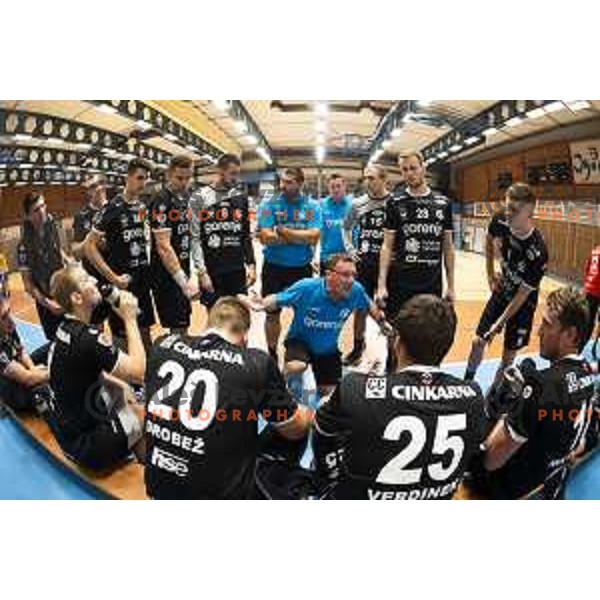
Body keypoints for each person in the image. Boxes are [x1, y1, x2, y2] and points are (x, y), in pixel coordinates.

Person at [313, 294, 487, 500]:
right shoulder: (474, 397)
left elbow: (321, 431)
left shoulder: (355, 387)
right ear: (446, 346)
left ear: (397, 342)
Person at [144, 296, 311, 499]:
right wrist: (306, 411)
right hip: (216, 496)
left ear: (208, 323)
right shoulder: (256, 363)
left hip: (159, 487)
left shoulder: (162, 345)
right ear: (244, 338)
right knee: (296, 425)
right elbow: (295, 430)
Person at [480, 287, 595, 499]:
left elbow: (490, 459)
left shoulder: (541, 386)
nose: (538, 331)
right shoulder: (588, 376)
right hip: (554, 488)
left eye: (547, 324)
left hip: (520, 494)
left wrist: (506, 409)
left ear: (570, 335)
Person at [240, 254, 390, 401]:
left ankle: (313, 386)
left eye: (354, 275)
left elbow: (370, 306)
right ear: (329, 275)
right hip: (299, 342)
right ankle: (279, 386)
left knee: (329, 395)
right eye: (345, 275)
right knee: (296, 367)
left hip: (327, 350)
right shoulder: (307, 287)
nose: (351, 280)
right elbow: (277, 299)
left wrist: (382, 323)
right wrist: (260, 304)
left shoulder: (356, 290)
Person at [47, 265, 145, 471]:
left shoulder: (65, 329)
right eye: (85, 280)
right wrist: (130, 318)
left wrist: (118, 384)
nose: (94, 280)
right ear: (77, 298)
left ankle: (134, 457)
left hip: (68, 433)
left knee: (121, 393)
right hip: (87, 446)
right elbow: (139, 372)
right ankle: (149, 481)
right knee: (143, 416)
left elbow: (81, 373)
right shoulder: (88, 339)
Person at [464, 182, 548, 384]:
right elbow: (489, 238)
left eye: (514, 210)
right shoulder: (500, 220)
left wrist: (499, 324)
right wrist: (490, 273)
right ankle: (467, 382)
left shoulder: (538, 252)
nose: (507, 213)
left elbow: (522, 295)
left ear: (529, 214)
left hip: (522, 304)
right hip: (503, 290)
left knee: (507, 360)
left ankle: (492, 402)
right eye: (507, 206)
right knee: (478, 342)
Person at [376, 152, 455, 320]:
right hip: (399, 283)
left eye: (413, 168)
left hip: (431, 285)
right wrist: (381, 284)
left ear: (423, 168)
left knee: (426, 336)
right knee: (395, 333)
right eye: (404, 170)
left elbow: (448, 247)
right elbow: (387, 245)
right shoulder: (394, 202)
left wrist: (451, 286)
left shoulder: (444, 203)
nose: (409, 173)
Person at [85, 158, 154, 349]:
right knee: (123, 340)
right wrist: (113, 277)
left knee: (145, 334)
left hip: (142, 282)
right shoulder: (111, 208)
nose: (143, 183)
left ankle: (146, 376)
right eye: (139, 178)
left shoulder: (141, 207)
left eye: (146, 179)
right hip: (121, 286)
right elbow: (88, 247)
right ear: (128, 178)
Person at [257, 167, 322, 360]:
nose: (283, 185)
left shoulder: (311, 206)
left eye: (289, 182)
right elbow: (266, 237)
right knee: (271, 313)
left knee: (302, 315)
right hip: (273, 268)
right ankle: (271, 352)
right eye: (282, 181)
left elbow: (314, 237)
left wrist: (283, 231)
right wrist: (298, 237)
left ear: (301, 183)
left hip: (301, 269)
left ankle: (296, 350)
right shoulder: (270, 204)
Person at [189, 153, 256, 308]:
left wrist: (251, 264)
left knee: (239, 316)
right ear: (220, 171)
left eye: (237, 174)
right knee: (214, 317)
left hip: (236, 269)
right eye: (232, 174)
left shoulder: (241, 198)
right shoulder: (199, 197)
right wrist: (201, 272)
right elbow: (195, 238)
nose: (236, 179)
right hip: (212, 270)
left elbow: (245, 235)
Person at [342, 163, 392, 365]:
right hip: (364, 262)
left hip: (387, 265)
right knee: (360, 308)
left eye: (371, 178)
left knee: (389, 307)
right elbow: (345, 228)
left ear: (384, 179)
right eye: (365, 178)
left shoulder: (395, 203)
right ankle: (357, 347)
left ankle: (392, 353)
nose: (367, 182)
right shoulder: (357, 204)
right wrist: (350, 249)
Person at [149, 155, 198, 333]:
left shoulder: (185, 198)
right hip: (167, 276)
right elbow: (163, 247)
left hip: (182, 270)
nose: (184, 182)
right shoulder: (161, 201)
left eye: (188, 177)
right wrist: (183, 282)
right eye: (179, 178)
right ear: (169, 174)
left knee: (183, 324)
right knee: (177, 328)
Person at [17, 192, 66, 340]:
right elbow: (28, 285)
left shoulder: (52, 226)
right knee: (56, 341)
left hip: (63, 292)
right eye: (37, 209)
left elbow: (58, 251)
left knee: (74, 337)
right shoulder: (23, 246)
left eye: (44, 206)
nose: (43, 211)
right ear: (28, 216)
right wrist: (49, 304)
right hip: (47, 303)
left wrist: (69, 263)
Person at [0, 293, 50, 412]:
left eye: (9, 312)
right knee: (56, 388)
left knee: (54, 346)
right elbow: (27, 379)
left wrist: (33, 368)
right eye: (4, 317)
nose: (10, 319)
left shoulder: (8, 325)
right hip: (12, 390)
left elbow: (20, 351)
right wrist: (59, 370)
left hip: (19, 369)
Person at [72, 175, 110, 325]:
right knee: (96, 325)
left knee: (122, 328)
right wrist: (91, 240)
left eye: (101, 183)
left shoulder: (116, 209)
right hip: (94, 282)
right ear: (88, 191)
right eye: (94, 186)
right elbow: (76, 253)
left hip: (117, 277)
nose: (99, 188)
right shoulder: (81, 217)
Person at [318, 174, 352, 274]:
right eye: (332, 187)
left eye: (338, 186)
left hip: (348, 258)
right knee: (326, 289)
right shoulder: (321, 205)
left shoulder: (353, 206)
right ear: (328, 188)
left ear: (345, 186)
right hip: (327, 258)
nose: (336, 190)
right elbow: (316, 231)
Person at [582, 245, 600, 348]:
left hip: (589, 288)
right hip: (596, 288)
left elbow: (587, 269)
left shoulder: (595, 250)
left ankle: (582, 345)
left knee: (588, 321)